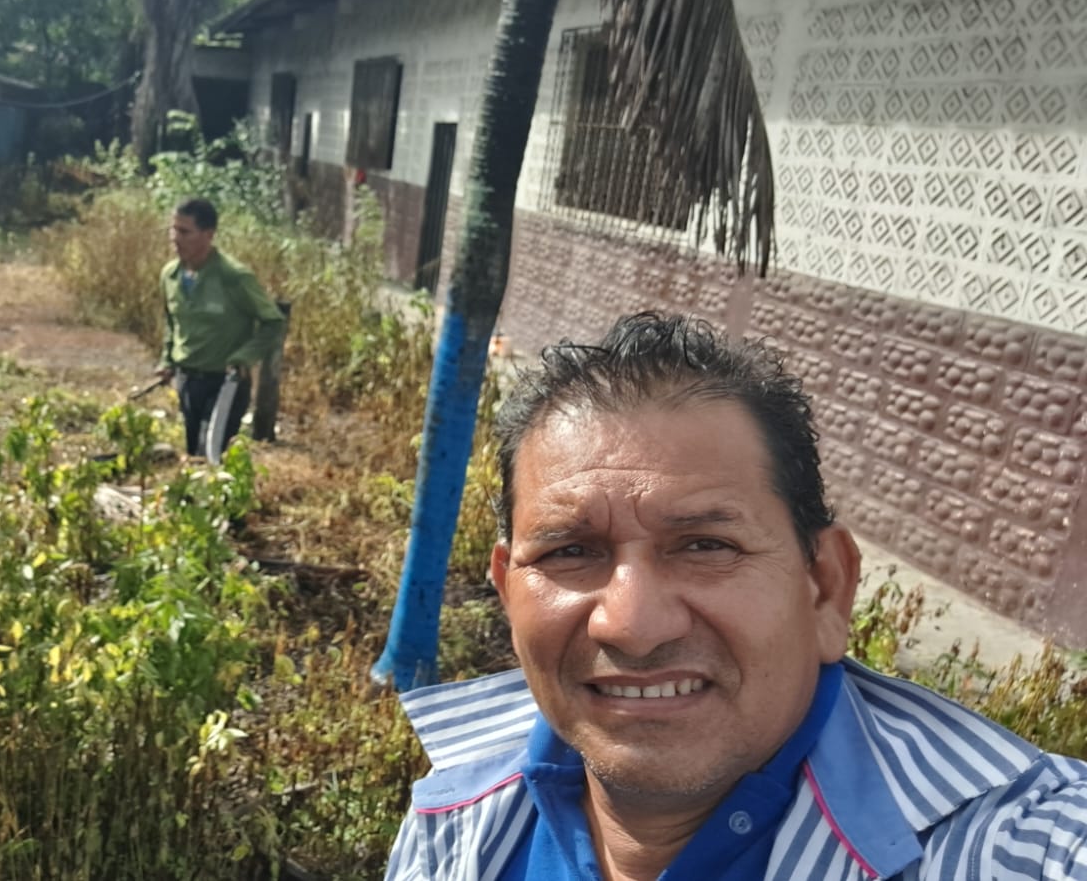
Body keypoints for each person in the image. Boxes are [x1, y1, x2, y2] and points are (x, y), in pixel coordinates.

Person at [384, 312, 1087, 880]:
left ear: (825, 589)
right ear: (509, 593)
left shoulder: (1025, 847)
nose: (632, 625)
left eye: (705, 546)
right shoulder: (455, 821)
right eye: (570, 552)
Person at [156, 198, 285, 460]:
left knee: (211, 454)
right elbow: (172, 323)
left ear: (208, 235)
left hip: (225, 382)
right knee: (193, 452)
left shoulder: (233, 277)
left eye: (184, 232)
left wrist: (245, 357)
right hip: (187, 380)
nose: (175, 239)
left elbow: (273, 322)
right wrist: (167, 359)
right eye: (173, 229)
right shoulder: (170, 275)